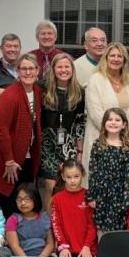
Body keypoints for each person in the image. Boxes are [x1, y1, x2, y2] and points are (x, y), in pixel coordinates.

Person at [0, 53, 42, 216]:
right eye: (24, 69)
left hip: (26, 153)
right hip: (7, 156)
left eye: (31, 68)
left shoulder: (37, 91)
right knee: (8, 199)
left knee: (25, 196)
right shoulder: (10, 95)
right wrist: (9, 160)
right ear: (18, 71)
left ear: (38, 70)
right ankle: (7, 237)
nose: (28, 72)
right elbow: (2, 130)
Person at [82, 43, 129, 184]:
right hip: (100, 141)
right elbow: (95, 112)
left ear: (124, 60)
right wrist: (114, 134)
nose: (116, 59)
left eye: (120, 56)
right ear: (105, 58)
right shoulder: (96, 79)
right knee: (98, 185)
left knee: (119, 186)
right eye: (112, 55)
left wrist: (127, 135)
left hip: (124, 143)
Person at [39, 53, 86, 210]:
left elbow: (80, 123)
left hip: (69, 144)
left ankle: (64, 219)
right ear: (53, 69)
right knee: (50, 184)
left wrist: (79, 150)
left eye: (67, 66)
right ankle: (49, 224)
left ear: (72, 69)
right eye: (60, 67)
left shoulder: (79, 92)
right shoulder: (42, 88)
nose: (63, 70)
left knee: (67, 183)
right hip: (47, 144)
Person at [86, 108, 129, 234]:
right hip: (101, 194)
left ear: (124, 124)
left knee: (118, 228)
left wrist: (126, 199)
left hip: (119, 194)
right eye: (109, 120)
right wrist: (92, 196)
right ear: (104, 123)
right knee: (100, 228)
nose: (113, 123)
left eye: (117, 120)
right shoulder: (98, 145)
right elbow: (93, 171)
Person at [51, 160, 97, 257]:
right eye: (68, 177)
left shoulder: (89, 196)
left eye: (76, 176)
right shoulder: (57, 198)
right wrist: (63, 246)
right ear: (63, 176)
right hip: (66, 251)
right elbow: (56, 225)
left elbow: (92, 224)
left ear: (82, 175)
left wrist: (87, 246)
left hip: (87, 251)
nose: (72, 180)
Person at [5, 182, 54, 257]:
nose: (23, 203)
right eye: (19, 199)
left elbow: (50, 244)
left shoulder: (45, 218)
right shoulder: (12, 220)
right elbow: (14, 246)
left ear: (35, 199)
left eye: (27, 199)